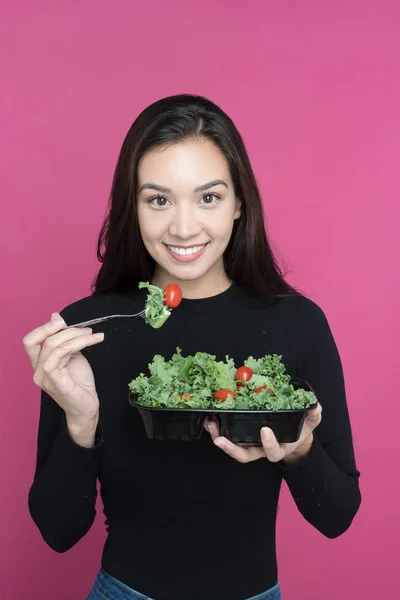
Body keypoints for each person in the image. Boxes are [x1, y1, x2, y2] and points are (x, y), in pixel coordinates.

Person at [23, 94, 361, 600]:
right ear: (132, 206)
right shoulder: (85, 331)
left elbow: (338, 516)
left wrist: (300, 449)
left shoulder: (297, 323)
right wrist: (80, 423)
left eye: (208, 197)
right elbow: (58, 531)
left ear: (239, 202)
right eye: (158, 199)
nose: (183, 228)